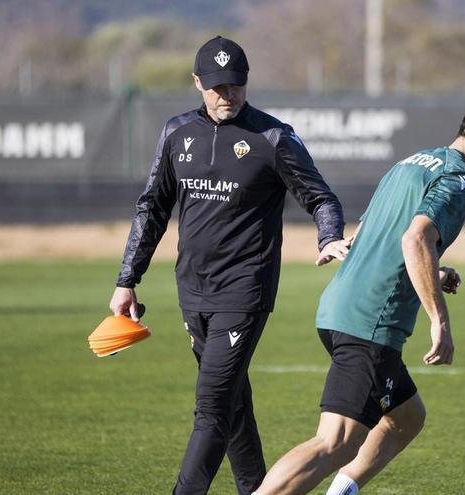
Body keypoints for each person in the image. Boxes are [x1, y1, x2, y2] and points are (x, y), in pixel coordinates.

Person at [253, 90, 465, 495]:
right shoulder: (458, 180)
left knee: (406, 418)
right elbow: (415, 238)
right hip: (371, 320)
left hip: (341, 307)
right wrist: (440, 322)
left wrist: (432, 273)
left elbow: (378, 233)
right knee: (335, 442)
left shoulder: (412, 162)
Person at [108, 36, 349, 495]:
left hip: (245, 290)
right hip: (192, 290)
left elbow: (320, 197)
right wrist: (127, 281)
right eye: (217, 86)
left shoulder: (274, 137)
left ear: (246, 83)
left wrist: (329, 236)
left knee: (212, 404)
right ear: (197, 82)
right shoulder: (177, 132)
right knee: (234, 400)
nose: (227, 95)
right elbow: (152, 209)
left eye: (235, 85)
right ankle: (256, 488)